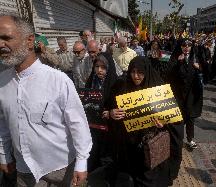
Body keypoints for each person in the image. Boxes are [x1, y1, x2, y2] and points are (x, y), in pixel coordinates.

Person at [0, 14, 92, 186]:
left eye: (6, 38)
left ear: (29, 41)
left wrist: (81, 162)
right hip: (23, 170)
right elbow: (3, 123)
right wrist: (4, 155)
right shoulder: (2, 81)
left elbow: (78, 124)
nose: (0, 44)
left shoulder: (58, 80)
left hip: (61, 169)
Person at [107, 56, 169, 187]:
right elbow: (107, 106)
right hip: (127, 143)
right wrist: (111, 113)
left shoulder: (157, 87)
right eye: (132, 72)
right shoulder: (121, 85)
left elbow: (169, 116)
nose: (135, 76)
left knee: (148, 178)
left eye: (140, 73)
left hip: (148, 143)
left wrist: (162, 123)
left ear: (146, 72)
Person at [85, 53, 118, 173]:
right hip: (94, 124)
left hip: (110, 126)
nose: (99, 70)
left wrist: (110, 112)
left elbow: (118, 106)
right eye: (97, 66)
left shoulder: (116, 83)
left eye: (103, 67)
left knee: (107, 151)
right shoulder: (91, 81)